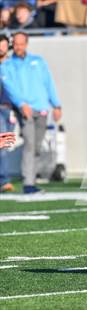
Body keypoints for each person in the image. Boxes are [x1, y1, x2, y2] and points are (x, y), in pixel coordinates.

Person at [1, 32, 62, 194]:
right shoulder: (7, 65)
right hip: (24, 110)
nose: (19, 47)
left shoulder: (38, 61)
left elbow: (48, 83)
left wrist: (56, 105)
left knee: (36, 147)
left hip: (41, 109)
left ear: (26, 44)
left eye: (22, 44)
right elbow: (10, 88)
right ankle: (28, 183)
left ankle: (31, 179)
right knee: (29, 143)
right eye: (17, 44)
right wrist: (21, 104)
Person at [0, 34, 16, 193]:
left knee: (5, 144)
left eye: (4, 45)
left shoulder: (12, 65)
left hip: (10, 108)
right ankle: (4, 180)